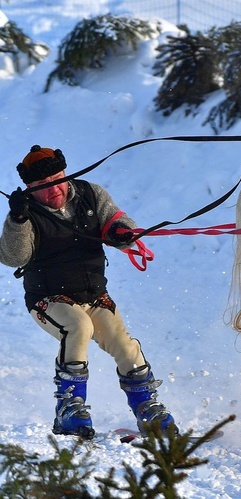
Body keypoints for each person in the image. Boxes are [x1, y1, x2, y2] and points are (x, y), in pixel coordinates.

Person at [0, 145, 177, 439]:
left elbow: (119, 224)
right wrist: (17, 220)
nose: (53, 190)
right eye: (42, 187)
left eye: (57, 179)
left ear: (65, 173)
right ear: (30, 188)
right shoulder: (26, 212)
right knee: (77, 327)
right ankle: (69, 407)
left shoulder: (90, 194)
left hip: (94, 295)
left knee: (123, 343)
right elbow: (13, 257)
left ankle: (147, 407)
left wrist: (120, 232)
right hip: (49, 299)